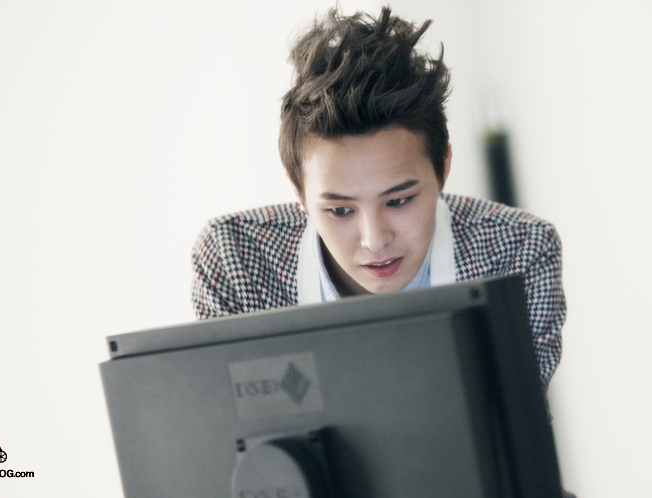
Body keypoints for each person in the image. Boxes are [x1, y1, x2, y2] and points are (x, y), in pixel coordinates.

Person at [191, 7, 565, 395]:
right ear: (299, 193)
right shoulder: (237, 257)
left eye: (398, 201)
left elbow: (515, 429)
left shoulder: (517, 252)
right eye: (339, 210)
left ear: (444, 166)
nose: (374, 240)